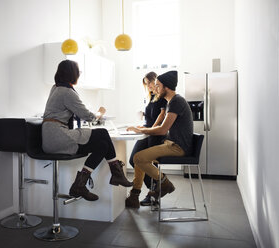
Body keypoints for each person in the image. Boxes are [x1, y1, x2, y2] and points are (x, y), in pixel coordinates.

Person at [42, 59, 133, 202]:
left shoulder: (55, 88)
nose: (79, 74)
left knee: (102, 145)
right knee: (102, 132)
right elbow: (88, 116)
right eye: (78, 72)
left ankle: (80, 185)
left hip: (50, 137)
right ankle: (117, 173)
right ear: (72, 74)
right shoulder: (67, 92)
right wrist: (100, 112)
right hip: (58, 136)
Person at [125, 70, 193, 208]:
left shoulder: (176, 102)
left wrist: (141, 130)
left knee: (138, 158)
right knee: (138, 159)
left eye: (157, 85)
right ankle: (135, 195)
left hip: (177, 147)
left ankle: (165, 184)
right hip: (171, 143)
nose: (155, 88)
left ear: (165, 87)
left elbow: (162, 129)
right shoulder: (172, 102)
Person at [128, 71, 167, 206]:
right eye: (146, 83)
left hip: (155, 134)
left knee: (150, 164)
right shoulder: (151, 97)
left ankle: (154, 195)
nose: (148, 85)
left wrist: (150, 129)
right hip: (147, 132)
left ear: (155, 80)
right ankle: (154, 192)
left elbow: (161, 115)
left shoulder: (162, 96)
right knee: (134, 160)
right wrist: (143, 120)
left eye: (150, 82)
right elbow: (151, 115)